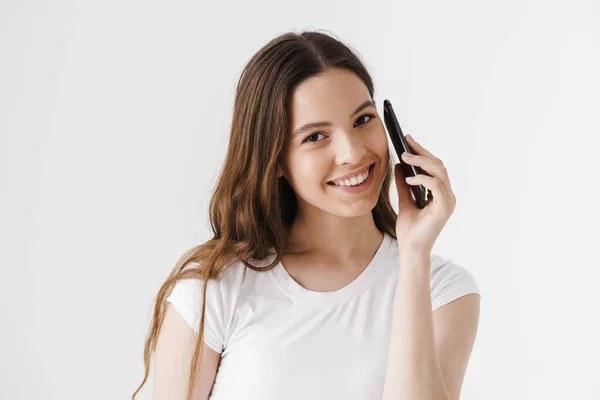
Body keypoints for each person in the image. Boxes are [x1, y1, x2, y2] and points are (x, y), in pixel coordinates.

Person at [132, 30, 481, 400]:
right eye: (315, 137)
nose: (352, 153)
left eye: (363, 119)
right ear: (275, 159)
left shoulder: (443, 291)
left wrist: (414, 255)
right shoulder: (215, 291)